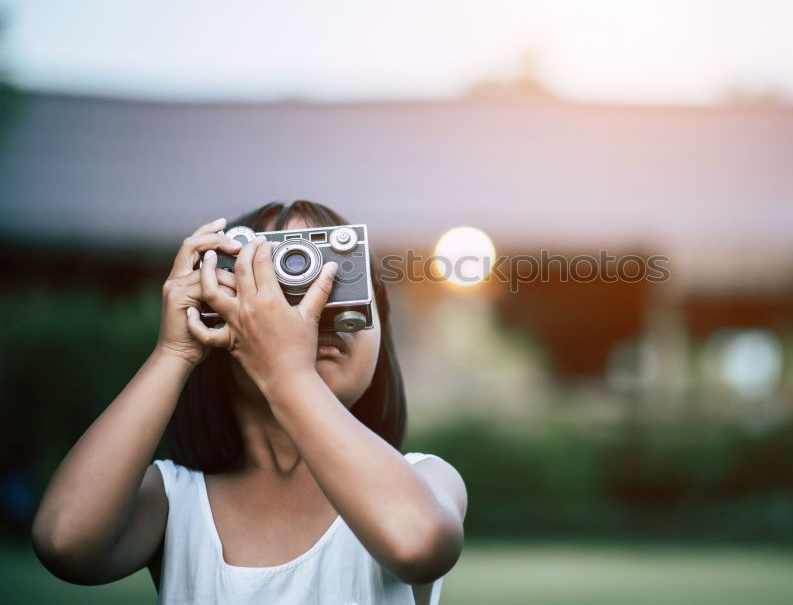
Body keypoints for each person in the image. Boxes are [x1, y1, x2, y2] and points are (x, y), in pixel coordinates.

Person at [30, 200, 467, 604]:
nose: (317, 307)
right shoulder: (174, 500)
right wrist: (174, 352)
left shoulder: (424, 479)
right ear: (216, 308)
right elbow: (65, 543)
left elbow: (417, 543)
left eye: (342, 278)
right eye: (281, 283)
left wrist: (288, 373)